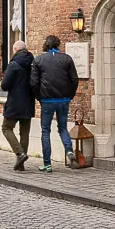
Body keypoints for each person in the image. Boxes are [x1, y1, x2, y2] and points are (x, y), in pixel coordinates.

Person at [31, 33, 78, 170]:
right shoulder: (67, 59)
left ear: (46, 45)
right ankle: (69, 151)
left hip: (47, 100)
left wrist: (39, 96)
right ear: (58, 45)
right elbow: (74, 80)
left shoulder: (38, 60)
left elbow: (34, 82)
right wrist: (70, 95)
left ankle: (47, 164)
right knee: (62, 128)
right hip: (63, 100)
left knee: (45, 131)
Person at [0, 40, 35, 171]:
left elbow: (4, 85)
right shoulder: (33, 63)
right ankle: (21, 164)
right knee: (24, 133)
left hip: (14, 102)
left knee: (6, 128)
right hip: (29, 102)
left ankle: (20, 153)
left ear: (15, 50)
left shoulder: (14, 64)